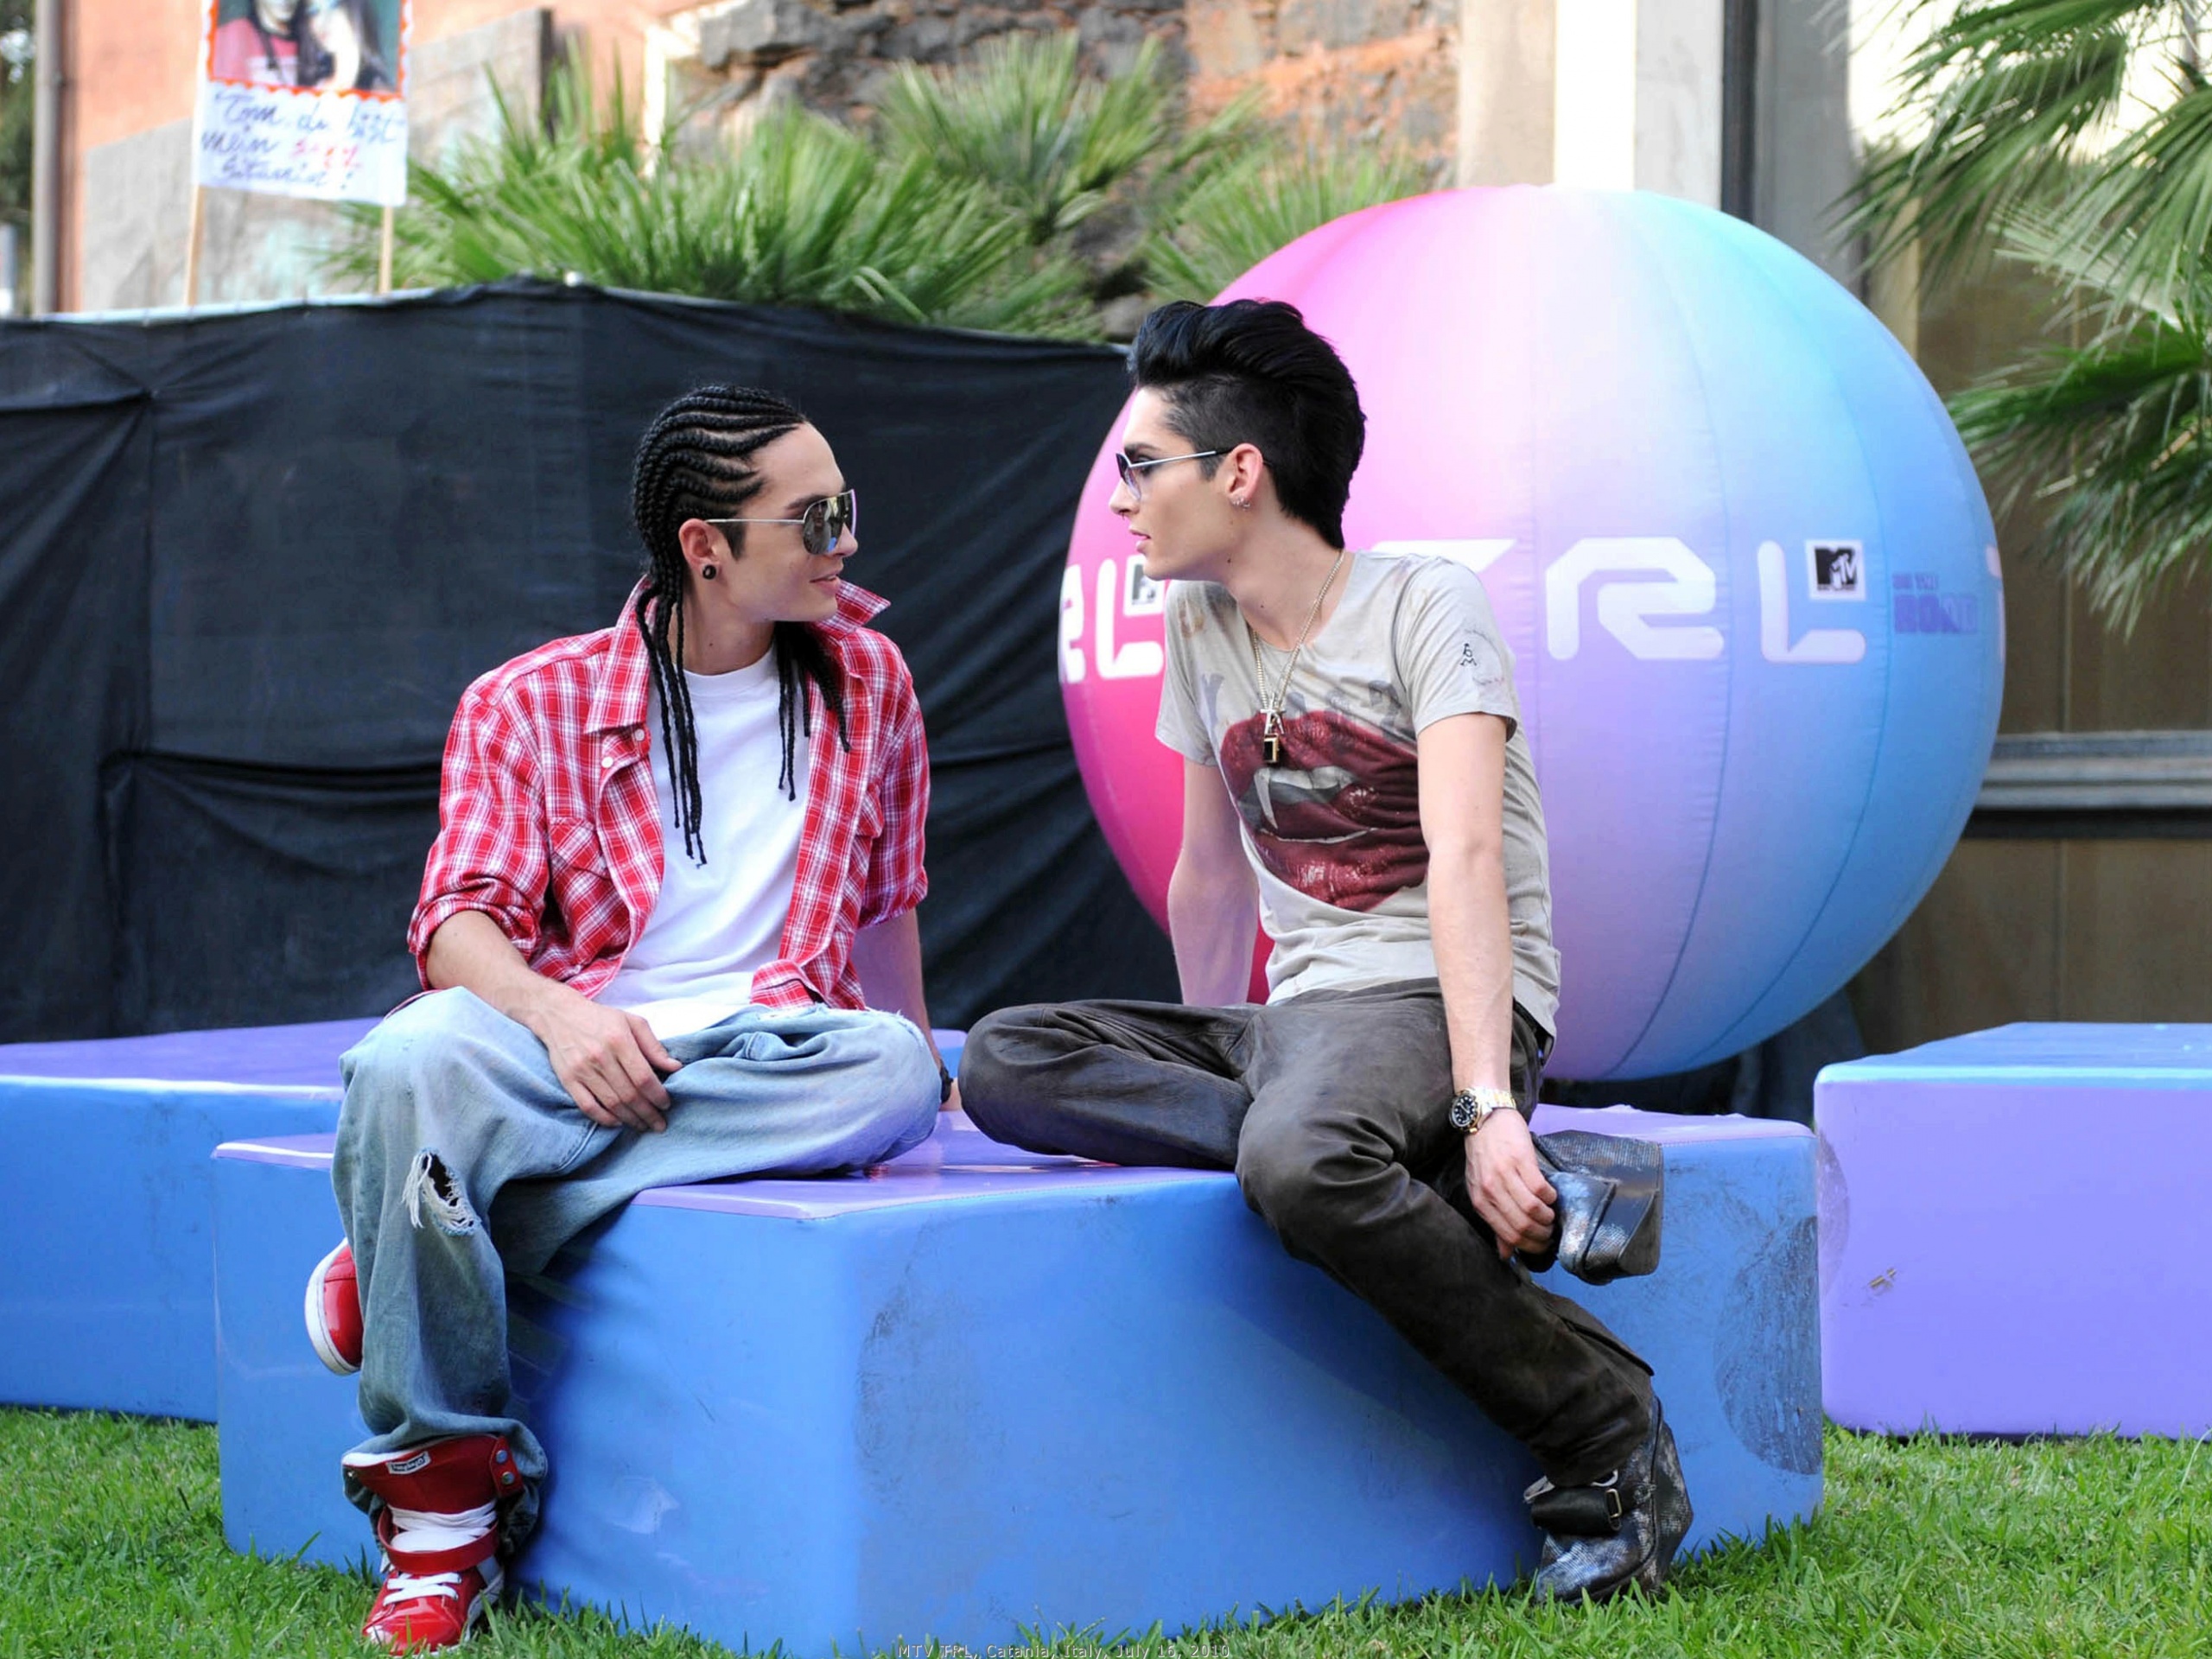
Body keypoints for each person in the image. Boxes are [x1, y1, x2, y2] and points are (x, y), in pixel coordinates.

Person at [959, 301, 1691, 1601]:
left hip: (1432, 1001)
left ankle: (1604, 1426)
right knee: (1007, 1059)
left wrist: (1486, 1105)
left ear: (1239, 471)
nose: (1120, 499)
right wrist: (1218, 1047)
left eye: (1142, 466)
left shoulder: (1423, 605)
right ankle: (1376, 1159)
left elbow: (1467, 861)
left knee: (1298, 1160)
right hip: (1298, 1028)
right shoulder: (1200, 629)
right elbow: (1208, 875)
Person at [302, 386, 949, 1651]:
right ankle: (441, 1511)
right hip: (569, 1043)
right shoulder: (527, 700)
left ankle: (421, 1245)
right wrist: (558, 1019)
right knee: (406, 1055)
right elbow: (454, 924)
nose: (848, 541)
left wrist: (924, 1070)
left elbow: (889, 901)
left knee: (888, 1070)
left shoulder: (871, 681)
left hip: (770, 1047)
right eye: (816, 519)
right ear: (707, 547)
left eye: (846, 509)